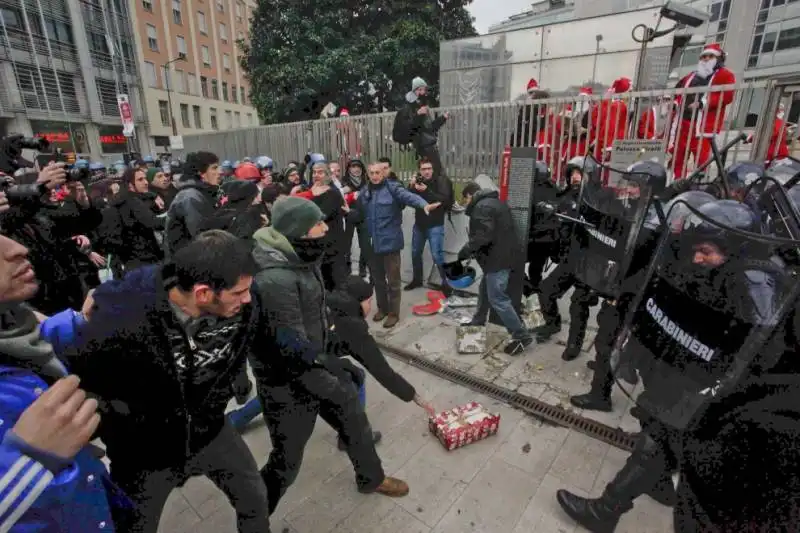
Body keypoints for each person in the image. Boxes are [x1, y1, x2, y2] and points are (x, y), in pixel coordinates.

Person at [557, 198, 792, 532]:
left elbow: (749, 353)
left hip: (712, 390)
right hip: (692, 376)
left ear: (736, 248)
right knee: (660, 437)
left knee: (656, 440)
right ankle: (658, 484)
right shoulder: (730, 271)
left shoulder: (756, 288)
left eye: (707, 251)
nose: (698, 258)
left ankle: (606, 511)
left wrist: (715, 391)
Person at [60, 231, 271, 533]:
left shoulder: (246, 302)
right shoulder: (120, 318)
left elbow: (251, 342)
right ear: (203, 294)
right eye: (239, 293)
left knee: (254, 498)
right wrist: (127, 424)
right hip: (145, 454)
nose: (248, 298)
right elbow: (86, 385)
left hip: (209, 430)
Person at [248, 196, 409, 516]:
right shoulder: (275, 278)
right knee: (286, 462)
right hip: (288, 385)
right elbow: (289, 345)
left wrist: (331, 340)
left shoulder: (299, 259)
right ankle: (254, 517)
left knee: (354, 419)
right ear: (299, 231)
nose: (325, 227)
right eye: (317, 223)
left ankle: (371, 478)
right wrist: (329, 367)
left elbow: (314, 311)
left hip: (314, 366)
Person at [0, 233, 129, 531]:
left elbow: (23, 353)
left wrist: (78, 321)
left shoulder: (12, 323)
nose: (19, 249)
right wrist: (28, 462)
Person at [357, 162, 439, 328]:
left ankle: (393, 313)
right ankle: (382, 308)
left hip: (390, 243)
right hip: (373, 245)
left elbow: (409, 197)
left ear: (384, 173)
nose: (374, 176)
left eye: (378, 172)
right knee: (378, 280)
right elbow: (359, 211)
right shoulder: (365, 192)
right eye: (371, 173)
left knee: (393, 281)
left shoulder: (393, 189)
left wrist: (424, 205)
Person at [459, 182, 533, 355]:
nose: (466, 202)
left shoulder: (482, 207)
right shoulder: (493, 202)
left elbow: (483, 235)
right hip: (500, 258)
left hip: (497, 261)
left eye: (465, 198)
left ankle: (521, 334)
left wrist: (466, 250)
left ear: (471, 195)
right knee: (485, 289)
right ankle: (477, 321)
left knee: (498, 299)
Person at [669, 42, 736, 179]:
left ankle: (698, 185)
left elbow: (727, 96)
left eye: (710, 56)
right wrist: (676, 103)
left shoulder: (725, 75)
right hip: (684, 123)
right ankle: (678, 183)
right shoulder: (691, 76)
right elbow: (678, 90)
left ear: (718, 58)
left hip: (703, 126)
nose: (706, 59)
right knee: (679, 157)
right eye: (704, 56)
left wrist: (702, 103)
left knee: (701, 160)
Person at [405, 157, 454, 294]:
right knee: (415, 253)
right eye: (423, 169)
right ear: (419, 170)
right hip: (419, 224)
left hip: (435, 224)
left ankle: (446, 284)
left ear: (433, 169)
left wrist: (426, 190)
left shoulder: (440, 181)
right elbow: (406, 197)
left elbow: (444, 200)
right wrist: (410, 185)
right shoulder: (417, 183)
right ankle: (417, 279)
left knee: (437, 254)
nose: (426, 172)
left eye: (429, 169)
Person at [164, 151, 221, 257]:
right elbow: (202, 236)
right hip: (188, 263)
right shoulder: (190, 197)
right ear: (201, 173)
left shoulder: (203, 193)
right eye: (214, 168)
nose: (220, 172)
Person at [113, 167, 165, 271]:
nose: (146, 182)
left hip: (133, 260)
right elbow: (153, 222)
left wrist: (153, 195)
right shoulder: (132, 202)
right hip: (143, 259)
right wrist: (174, 216)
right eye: (140, 180)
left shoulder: (124, 199)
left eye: (145, 179)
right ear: (130, 184)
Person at [404, 77, 449, 177]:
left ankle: (430, 190)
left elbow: (430, 127)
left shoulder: (421, 104)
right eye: (422, 89)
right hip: (424, 145)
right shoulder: (411, 106)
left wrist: (443, 118)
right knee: (436, 172)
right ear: (417, 90)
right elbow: (410, 126)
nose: (424, 92)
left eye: (424, 89)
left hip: (428, 144)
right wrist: (418, 115)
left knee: (431, 172)